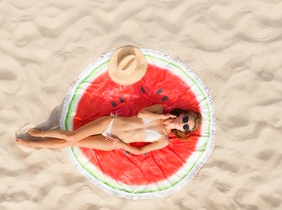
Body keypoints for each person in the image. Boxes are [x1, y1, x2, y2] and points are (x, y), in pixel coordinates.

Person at [14, 46, 202, 155]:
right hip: (110, 123)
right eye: (186, 119)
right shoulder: (159, 110)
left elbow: (139, 152)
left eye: (186, 126)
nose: (183, 123)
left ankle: (34, 143)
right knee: (71, 136)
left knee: (72, 143)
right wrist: (163, 117)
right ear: (183, 114)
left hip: (112, 141)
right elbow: (140, 114)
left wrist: (121, 145)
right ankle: (37, 135)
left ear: (183, 132)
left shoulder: (163, 141)